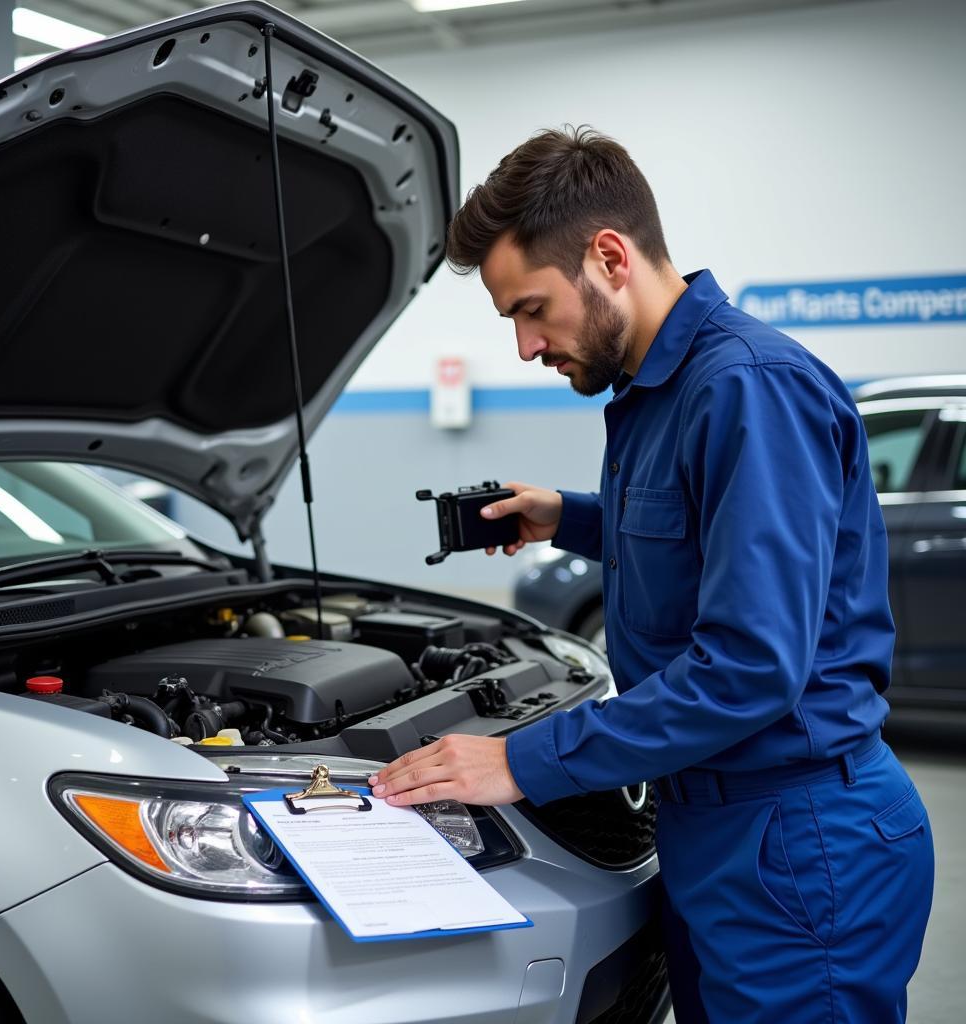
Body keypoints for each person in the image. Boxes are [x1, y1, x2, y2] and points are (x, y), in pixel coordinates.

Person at [367, 127, 934, 1023]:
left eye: (532, 309)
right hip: (713, 828)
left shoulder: (749, 388)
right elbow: (700, 540)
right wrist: (570, 515)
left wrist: (520, 760)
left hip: (797, 841)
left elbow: (748, 668)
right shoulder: (655, 390)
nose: (523, 346)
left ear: (608, 256)